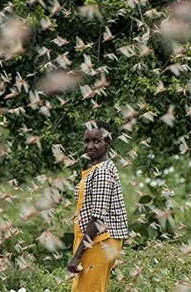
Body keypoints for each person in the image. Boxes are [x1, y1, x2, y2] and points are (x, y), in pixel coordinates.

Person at [67, 120, 129, 292]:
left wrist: (77, 256)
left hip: (100, 240)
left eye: (96, 141)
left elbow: (98, 218)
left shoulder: (102, 171)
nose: (90, 146)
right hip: (94, 240)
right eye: (86, 141)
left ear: (107, 142)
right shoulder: (96, 168)